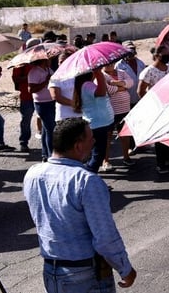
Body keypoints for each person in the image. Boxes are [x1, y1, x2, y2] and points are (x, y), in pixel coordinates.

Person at [23, 117, 137, 291]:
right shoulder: (86, 181)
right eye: (90, 138)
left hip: (51, 271)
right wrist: (125, 269)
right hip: (84, 275)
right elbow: (105, 237)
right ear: (78, 146)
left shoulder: (33, 174)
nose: (94, 141)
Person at [138, 46, 169, 174]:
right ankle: (160, 163)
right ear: (157, 55)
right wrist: (149, 104)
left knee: (168, 133)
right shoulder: (149, 71)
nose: (167, 56)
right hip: (156, 107)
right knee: (159, 135)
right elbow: (140, 91)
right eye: (164, 54)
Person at [73, 68, 115, 173]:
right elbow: (101, 93)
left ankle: (90, 177)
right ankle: (88, 177)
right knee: (98, 156)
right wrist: (99, 73)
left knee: (97, 154)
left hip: (99, 123)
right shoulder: (87, 85)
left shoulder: (86, 84)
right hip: (97, 124)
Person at [12, 38, 41, 153]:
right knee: (26, 120)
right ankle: (23, 142)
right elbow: (16, 79)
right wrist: (31, 76)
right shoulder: (21, 62)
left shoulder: (41, 59)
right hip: (27, 96)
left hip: (41, 96)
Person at [103, 62, 134, 167]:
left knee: (125, 134)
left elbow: (130, 83)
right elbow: (108, 90)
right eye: (107, 64)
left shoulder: (122, 72)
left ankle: (126, 157)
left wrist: (114, 83)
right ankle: (105, 160)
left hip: (124, 108)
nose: (110, 65)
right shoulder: (101, 75)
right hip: (110, 109)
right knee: (108, 136)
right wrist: (122, 86)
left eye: (111, 63)